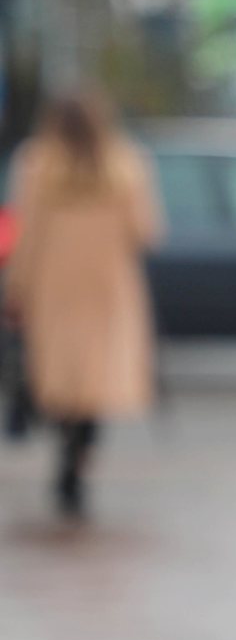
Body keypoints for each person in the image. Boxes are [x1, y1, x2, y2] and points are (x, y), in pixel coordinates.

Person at [2, 89, 163, 518]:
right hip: (109, 287)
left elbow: (27, 235)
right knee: (96, 380)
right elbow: (147, 230)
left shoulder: (35, 163)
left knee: (60, 378)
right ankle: (79, 457)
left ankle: (66, 448)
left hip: (53, 286)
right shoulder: (127, 164)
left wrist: (16, 288)